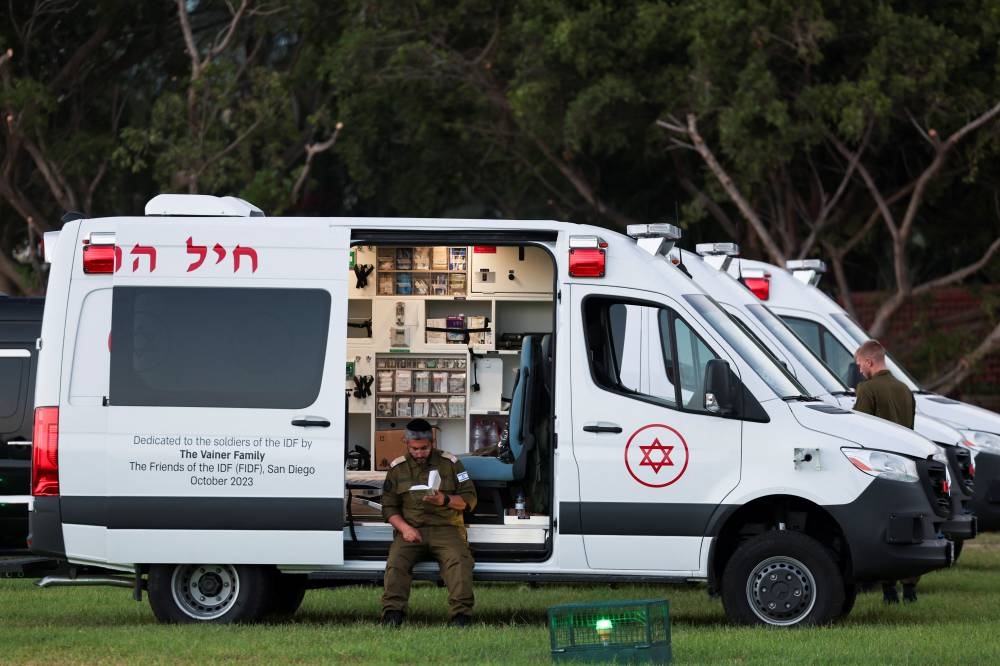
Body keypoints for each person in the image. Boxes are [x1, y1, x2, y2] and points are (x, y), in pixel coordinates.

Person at [380, 418, 478, 627]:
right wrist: (405, 529)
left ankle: (461, 617)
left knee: (459, 562)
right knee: (396, 562)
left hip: (446, 529)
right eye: (414, 448)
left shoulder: (450, 463)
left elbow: (470, 499)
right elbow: (388, 508)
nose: (419, 453)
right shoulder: (398, 468)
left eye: (424, 448)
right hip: (411, 530)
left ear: (432, 442)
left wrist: (445, 499)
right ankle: (392, 615)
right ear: (406, 443)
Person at [853, 339, 919, 603]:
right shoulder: (905, 390)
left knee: (882, 528)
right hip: (906, 467)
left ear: (870, 362)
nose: (859, 370)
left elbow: (858, 428)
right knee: (907, 528)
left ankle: (888, 590)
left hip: (879, 468)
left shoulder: (867, 389)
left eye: (859, 364)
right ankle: (911, 590)